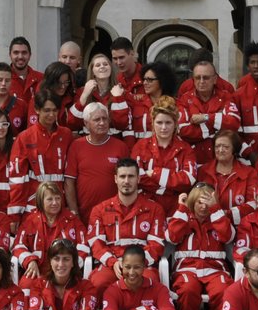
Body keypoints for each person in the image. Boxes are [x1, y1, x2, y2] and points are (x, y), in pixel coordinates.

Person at [167, 181, 235, 310]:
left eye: (207, 202)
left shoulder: (219, 218)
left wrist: (216, 210)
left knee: (224, 292)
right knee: (188, 290)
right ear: (192, 202)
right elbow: (172, 236)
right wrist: (182, 209)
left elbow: (228, 236)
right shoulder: (182, 218)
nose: (203, 207)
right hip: (187, 269)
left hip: (215, 269)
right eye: (199, 202)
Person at [85, 159, 166, 291]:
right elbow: (96, 244)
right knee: (99, 283)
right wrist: (113, 262)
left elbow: (156, 245)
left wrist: (134, 265)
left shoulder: (155, 209)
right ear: (115, 179)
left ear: (138, 178)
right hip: (112, 265)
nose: (126, 181)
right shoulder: (100, 210)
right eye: (122, 176)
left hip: (141, 265)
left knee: (150, 281)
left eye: (131, 176)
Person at [65, 102, 131, 221]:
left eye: (105, 119)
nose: (102, 123)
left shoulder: (121, 147)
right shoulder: (76, 146)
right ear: (86, 123)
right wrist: (74, 213)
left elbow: (129, 181)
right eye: (97, 119)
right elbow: (69, 182)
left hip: (115, 215)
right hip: (84, 216)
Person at [12, 181, 88, 281]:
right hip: (37, 271)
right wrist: (29, 261)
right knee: (25, 285)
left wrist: (70, 265)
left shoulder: (72, 220)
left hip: (64, 271)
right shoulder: (30, 221)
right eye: (50, 199)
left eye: (58, 198)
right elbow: (18, 245)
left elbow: (84, 245)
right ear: (41, 201)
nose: (55, 203)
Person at [130, 98, 195, 210]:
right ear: (153, 123)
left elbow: (189, 179)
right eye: (159, 123)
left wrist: (156, 173)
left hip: (176, 208)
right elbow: (136, 178)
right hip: (146, 207)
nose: (163, 127)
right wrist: (171, 186)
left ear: (175, 124)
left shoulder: (185, 149)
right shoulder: (140, 146)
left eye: (168, 122)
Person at [175, 59, 241, 166]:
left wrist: (205, 118)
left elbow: (234, 123)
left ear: (215, 79)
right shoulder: (185, 99)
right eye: (197, 77)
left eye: (205, 77)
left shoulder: (226, 97)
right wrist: (216, 127)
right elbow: (182, 130)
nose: (201, 81)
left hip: (222, 162)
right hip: (194, 161)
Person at [12, 90, 73, 193]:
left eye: (55, 110)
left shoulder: (66, 134)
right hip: (35, 199)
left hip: (59, 198)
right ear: (37, 110)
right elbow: (17, 176)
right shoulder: (25, 137)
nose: (51, 114)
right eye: (47, 110)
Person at [202, 129, 258, 222]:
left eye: (225, 147)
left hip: (241, 228)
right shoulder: (203, 171)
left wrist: (224, 214)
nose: (220, 150)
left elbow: (253, 204)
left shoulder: (249, 173)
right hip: (209, 228)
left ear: (234, 149)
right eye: (217, 146)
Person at [73, 52, 131, 137]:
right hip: (89, 143)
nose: (102, 67)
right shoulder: (82, 92)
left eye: (105, 64)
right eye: (98, 65)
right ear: (92, 71)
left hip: (113, 142)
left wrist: (118, 98)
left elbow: (122, 124)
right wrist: (84, 95)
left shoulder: (121, 92)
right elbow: (72, 123)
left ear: (111, 68)